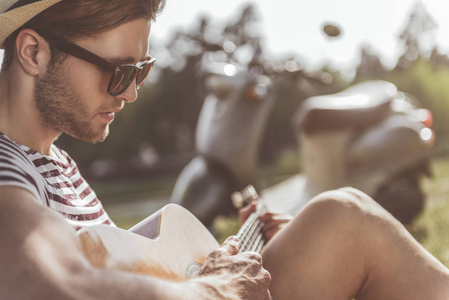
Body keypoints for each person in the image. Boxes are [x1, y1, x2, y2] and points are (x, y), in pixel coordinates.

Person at [0, 1, 448, 299]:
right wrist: (213, 291)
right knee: (344, 216)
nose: (132, 93)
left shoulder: (55, 163)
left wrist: (211, 261)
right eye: (119, 72)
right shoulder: (6, 167)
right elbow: (43, 284)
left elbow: (110, 261)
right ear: (34, 53)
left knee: (341, 217)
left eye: (141, 71)